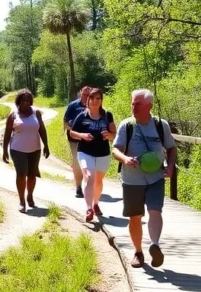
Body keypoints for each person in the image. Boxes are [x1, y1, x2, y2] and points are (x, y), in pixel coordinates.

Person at [112, 89, 176, 269]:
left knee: (155, 210)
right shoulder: (127, 125)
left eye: (137, 104)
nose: (133, 106)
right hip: (132, 180)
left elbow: (171, 148)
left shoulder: (160, 125)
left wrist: (170, 166)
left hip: (156, 177)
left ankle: (155, 245)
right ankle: (138, 252)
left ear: (149, 106)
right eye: (132, 102)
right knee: (135, 217)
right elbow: (115, 149)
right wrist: (125, 159)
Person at [69, 88, 116, 223]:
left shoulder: (107, 115)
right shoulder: (82, 116)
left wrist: (109, 135)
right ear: (88, 100)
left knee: (98, 181)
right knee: (89, 176)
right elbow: (72, 133)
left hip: (102, 153)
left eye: (98, 99)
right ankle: (89, 208)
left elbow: (114, 133)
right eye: (92, 98)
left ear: (101, 101)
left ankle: (96, 203)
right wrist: (82, 135)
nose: (95, 101)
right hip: (85, 152)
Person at [2, 89, 50, 213]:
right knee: (21, 174)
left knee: (32, 175)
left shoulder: (36, 113)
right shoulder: (13, 115)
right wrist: (5, 151)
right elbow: (7, 134)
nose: (25, 102)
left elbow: (42, 130)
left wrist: (46, 145)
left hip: (35, 149)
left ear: (31, 101)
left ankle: (30, 196)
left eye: (28, 100)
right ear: (18, 101)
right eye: (23, 100)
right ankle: (22, 201)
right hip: (17, 149)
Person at [63, 86, 92, 198]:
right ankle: (79, 187)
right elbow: (65, 121)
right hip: (74, 139)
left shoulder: (94, 106)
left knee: (89, 162)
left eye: (88, 94)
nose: (86, 96)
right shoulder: (73, 105)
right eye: (84, 94)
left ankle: (88, 184)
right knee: (77, 162)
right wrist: (73, 130)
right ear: (80, 93)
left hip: (89, 139)